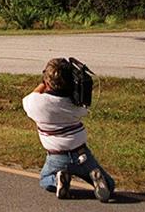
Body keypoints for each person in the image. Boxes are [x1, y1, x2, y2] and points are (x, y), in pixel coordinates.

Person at [22, 58, 114, 202]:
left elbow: (31, 96)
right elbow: (83, 108)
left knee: (44, 179)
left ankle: (58, 179)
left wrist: (42, 84)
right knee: (110, 185)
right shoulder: (75, 107)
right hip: (82, 154)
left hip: (56, 157)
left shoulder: (34, 104)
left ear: (46, 83)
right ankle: (96, 178)